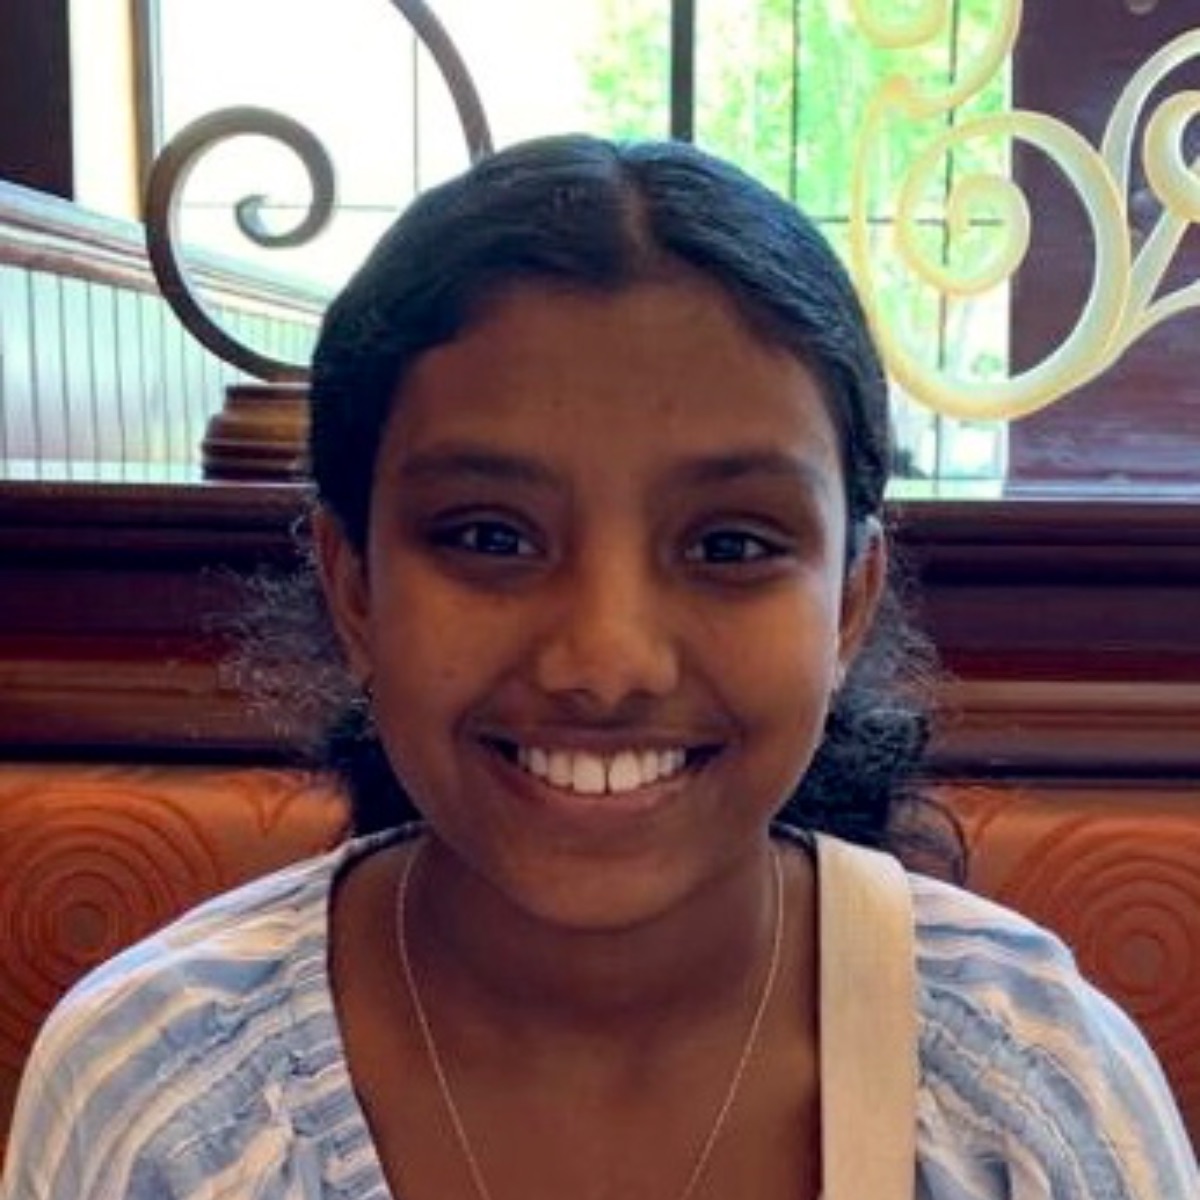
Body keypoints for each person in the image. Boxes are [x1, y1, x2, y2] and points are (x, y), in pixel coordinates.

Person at [2, 134, 1196, 1200]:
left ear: (848, 602)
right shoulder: (158, 1098)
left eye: (730, 546)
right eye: (489, 537)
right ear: (353, 586)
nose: (606, 662)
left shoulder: (1032, 1092)